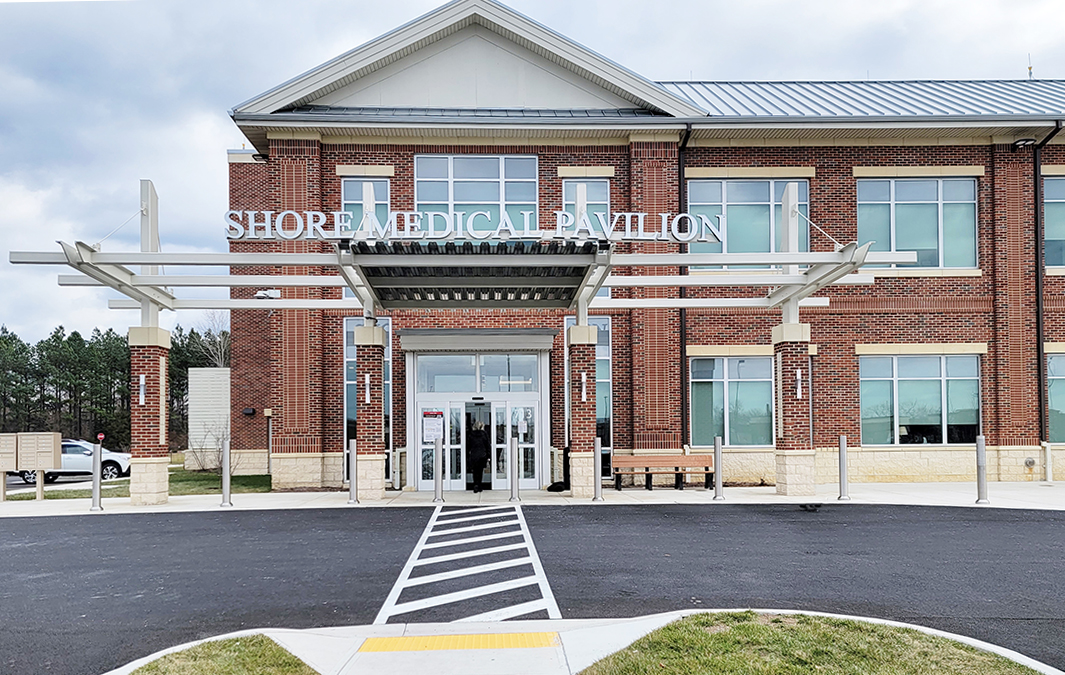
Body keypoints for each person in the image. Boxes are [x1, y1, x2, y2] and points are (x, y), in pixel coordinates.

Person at [467, 420, 490, 493]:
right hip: (482, 455)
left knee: (475, 471)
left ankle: (475, 484)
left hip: (474, 455)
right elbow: (487, 446)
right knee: (480, 471)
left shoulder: (471, 435)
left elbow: (468, 446)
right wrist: (488, 456)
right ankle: (479, 485)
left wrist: (468, 454)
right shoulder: (484, 434)